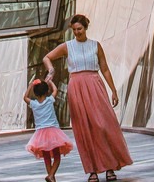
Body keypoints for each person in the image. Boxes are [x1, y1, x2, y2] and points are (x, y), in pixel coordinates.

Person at [43, 14, 133, 182]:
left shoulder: (95, 45)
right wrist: (51, 71)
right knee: (85, 129)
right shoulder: (67, 46)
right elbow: (47, 57)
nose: (77, 32)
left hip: (95, 84)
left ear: (86, 28)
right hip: (76, 86)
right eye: (74, 29)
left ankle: (110, 166)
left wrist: (113, 90)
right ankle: (92, 170)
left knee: (104, 125)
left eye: (80, 29)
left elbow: (104, 68)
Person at [24, 77, 73, 182]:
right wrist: (50, 82)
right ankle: (51, 175)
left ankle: (51, 176)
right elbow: (55, 90)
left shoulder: (34, 104)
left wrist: (29, 86)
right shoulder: (50, 100)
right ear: (47, 92)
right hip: (53, 132)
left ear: (35, 93)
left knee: (46, 157)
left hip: (40, 134)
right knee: (57, 156)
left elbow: (25, 97)